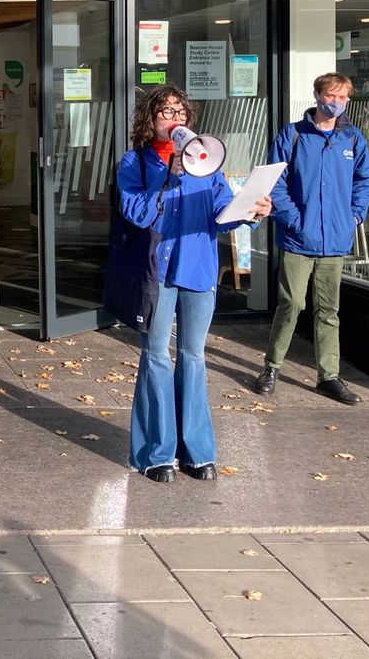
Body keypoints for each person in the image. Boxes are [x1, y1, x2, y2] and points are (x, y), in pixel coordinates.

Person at [116, 86, 272, 483]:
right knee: (155, 356)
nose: (176, 119)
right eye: (167, 112)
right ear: (150, 120)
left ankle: (197, 451)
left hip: (199, 268)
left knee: (193, 356)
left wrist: (250, 211)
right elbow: (135, 211)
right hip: (157, 272)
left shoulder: (206, 162)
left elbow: (221, 210)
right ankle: (157, 453)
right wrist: (169, 178)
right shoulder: (135, 163)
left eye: (181, 113)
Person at [254, 73, 369, 405]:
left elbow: (365, 179)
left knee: (328, 310)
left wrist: (354, 215)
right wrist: (294, 220)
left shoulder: (352, 139)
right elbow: (275, 181)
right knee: (291, 304)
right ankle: (271, 367)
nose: (336, 102)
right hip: (297, 239)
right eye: (331, 95)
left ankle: (329, 376)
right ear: (317, 95)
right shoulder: (293, 135)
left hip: (335, 240)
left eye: (343, 97)